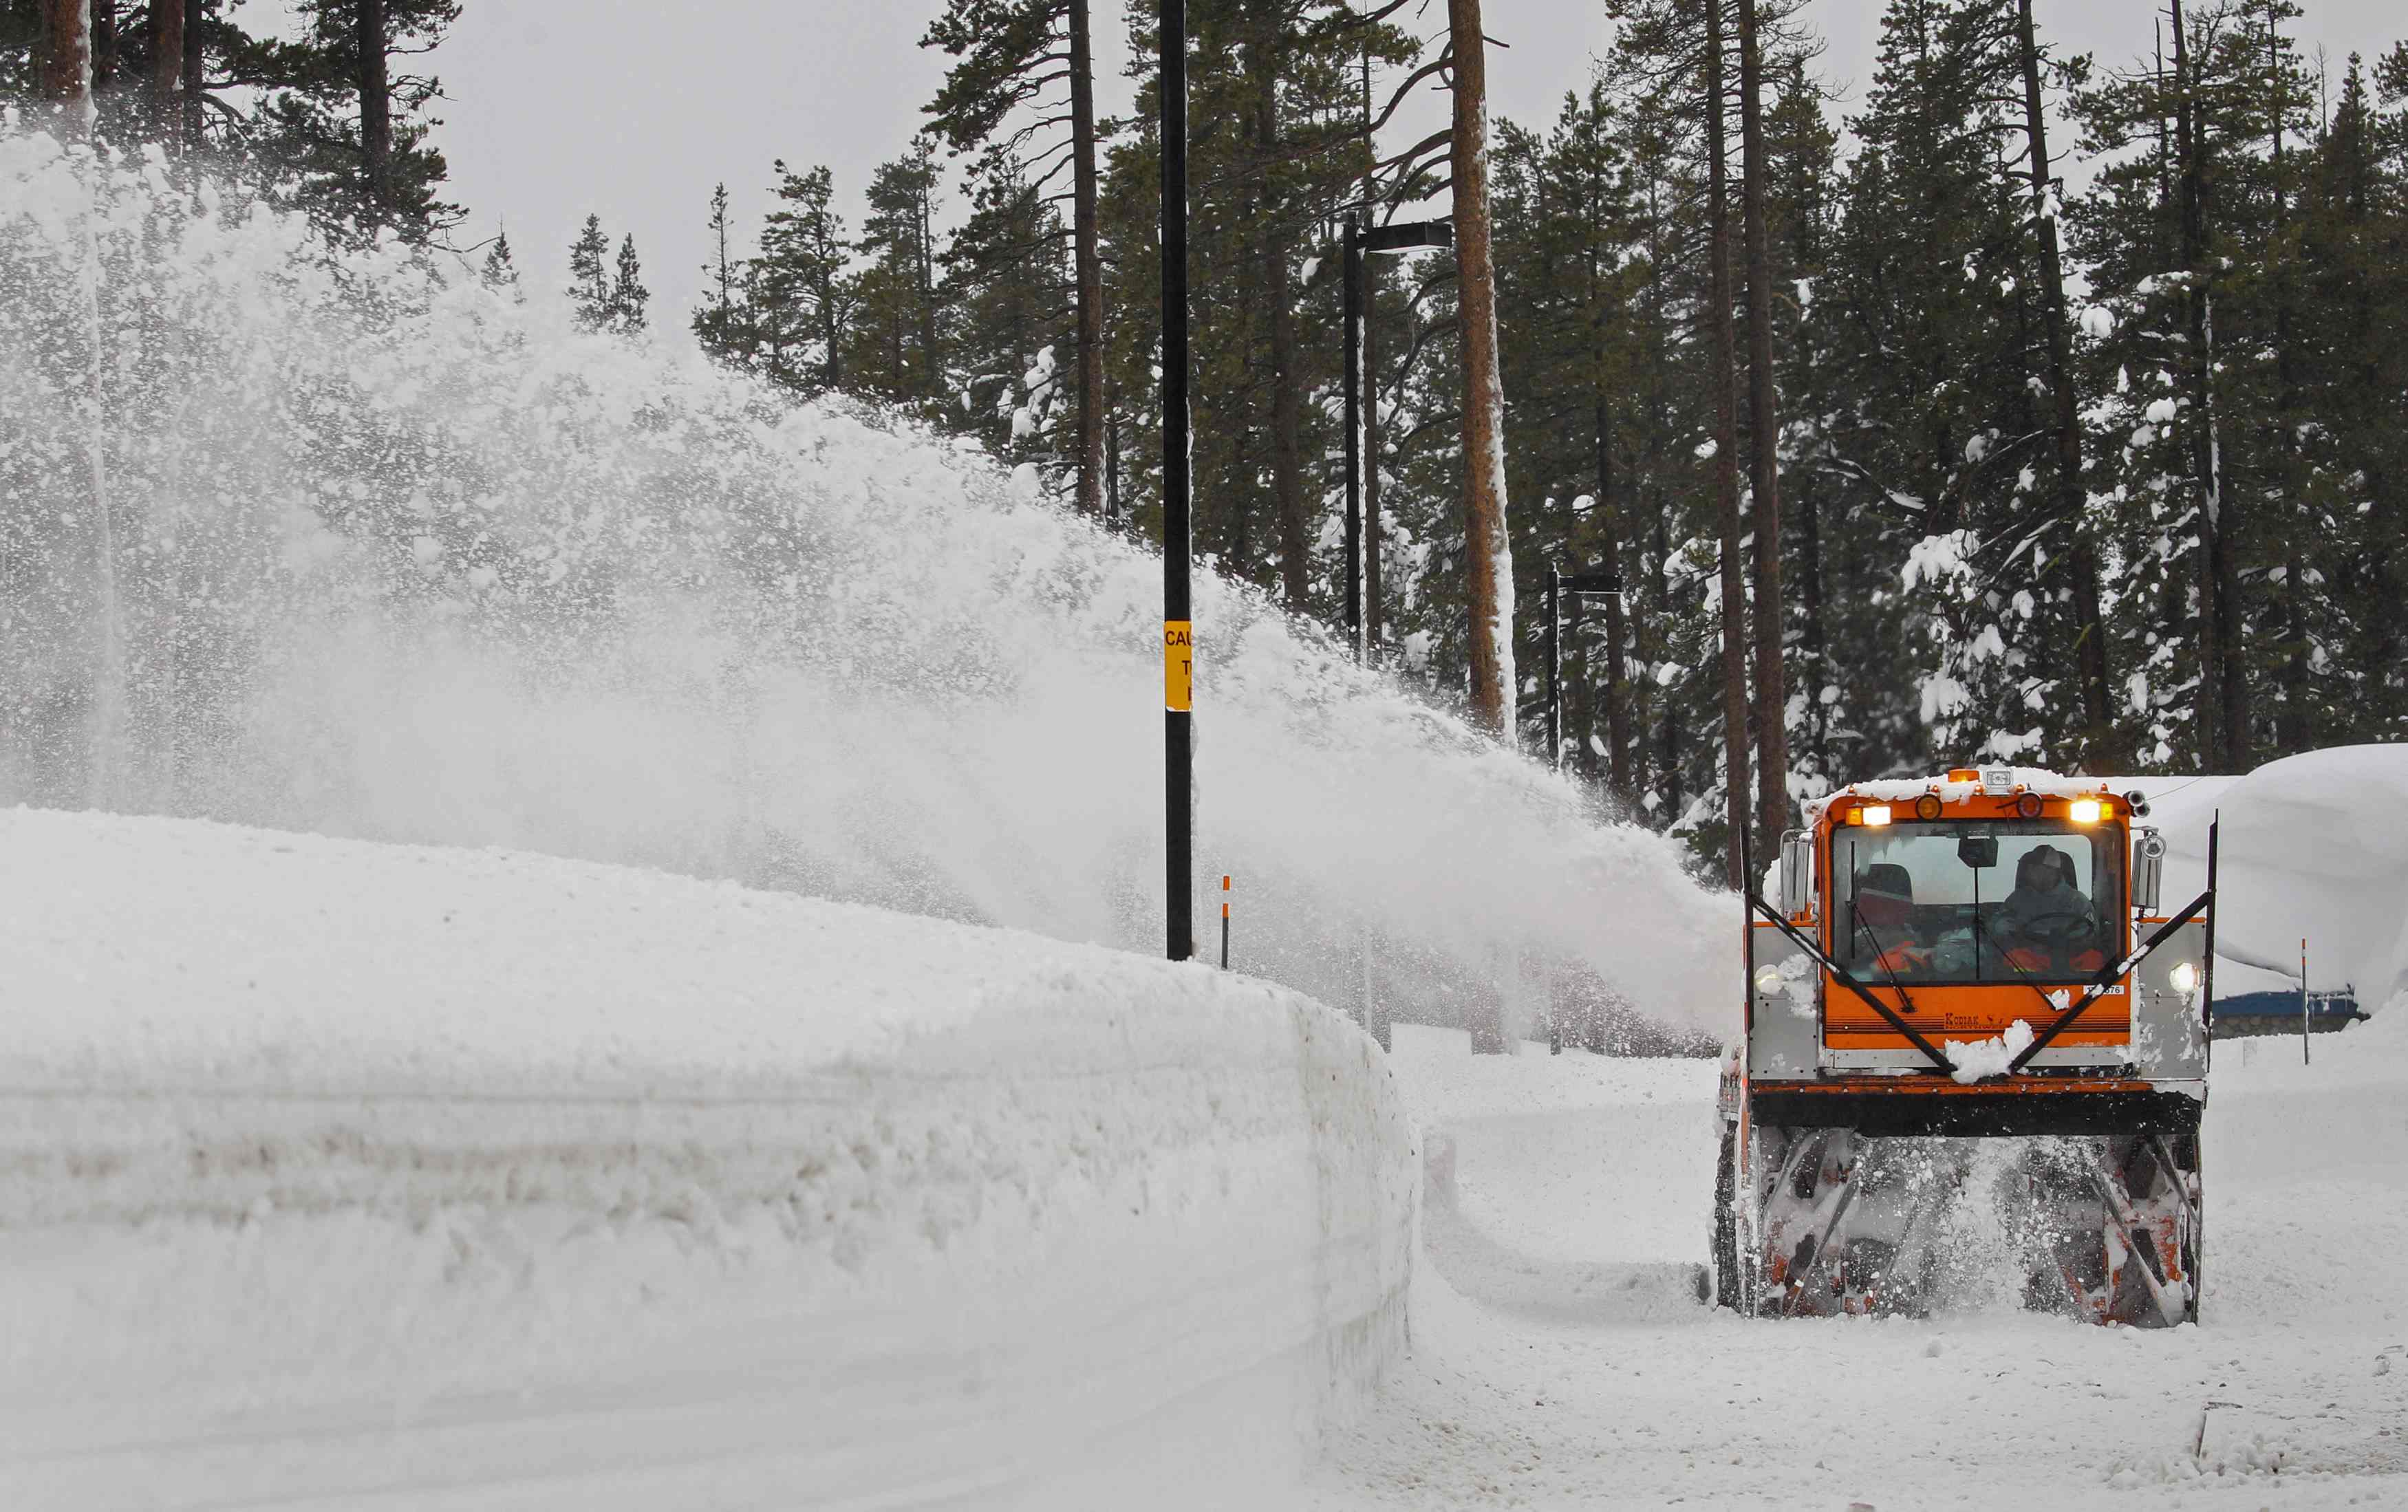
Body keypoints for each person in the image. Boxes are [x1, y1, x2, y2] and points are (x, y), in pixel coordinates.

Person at [1997, 843, 2103, 973]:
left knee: (2093, 960)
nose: (2029, 872)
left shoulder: (2077, 900)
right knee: (2013, 959)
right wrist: (2018, 935)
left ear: (2053, 871)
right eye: (2030, 868)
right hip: (2032, 956)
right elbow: (2001, 926)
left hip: (2071, 958)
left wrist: (2067, 941)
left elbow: (2091, 931)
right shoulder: (2017, 900)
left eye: (2036, 868)